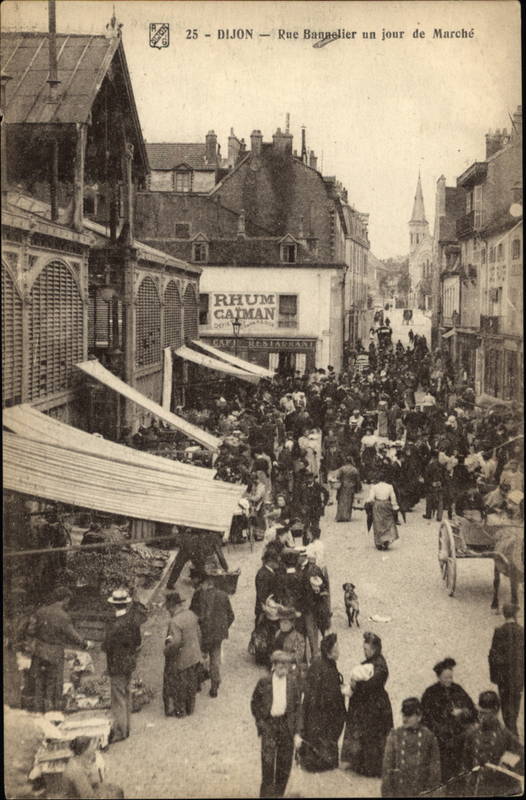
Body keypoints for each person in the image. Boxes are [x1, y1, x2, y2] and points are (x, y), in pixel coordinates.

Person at [27, 586, 89, 713]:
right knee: (54, 685)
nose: (68, 604)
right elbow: (72, 635)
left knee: (39, 684)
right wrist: (85, 644)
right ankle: (52, 715)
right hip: (54, 654)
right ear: (65, 599)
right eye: (68, 600)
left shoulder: (40, 612)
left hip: (39, 652)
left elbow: (30, 630)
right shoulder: (63, 616)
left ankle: (38, 714)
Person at [251, 650, 303, 798]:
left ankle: (279, 795)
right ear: (273, 665)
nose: (283, 667)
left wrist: (297, 732)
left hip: (286, 726)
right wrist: (261, 723)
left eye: (286, 664)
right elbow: (254, 703)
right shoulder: (264, 682)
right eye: (280, 664)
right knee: (268, 767)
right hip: (270, 726)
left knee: (284, 766)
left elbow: (298, 708)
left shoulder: (293, 683)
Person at [341, 631, 393, 777]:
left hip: (375, 705)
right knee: (365, 733)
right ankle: (361, 763)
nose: (364, 652)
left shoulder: (381, 667)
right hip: (367, 703)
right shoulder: (374, 662)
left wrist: (356, 685)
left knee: (372, 735)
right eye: (364, 649)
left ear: (375, 649)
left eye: (366, 649)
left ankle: (372, 767)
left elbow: (372, 685)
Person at [421, 657, 477, 785]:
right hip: (440, 733)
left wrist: (462, 711)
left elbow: (472, 709)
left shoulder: (458, 689)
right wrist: (447, 715)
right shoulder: (430, 693)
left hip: (459, 731)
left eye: (451, 677)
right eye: (446, 678)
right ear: (439, 677)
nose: (449, 680)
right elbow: (427, 717)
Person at [299, 633, 346, 772]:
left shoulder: (319, 663)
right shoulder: (327, 669)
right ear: (329, 652)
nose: (339, 651)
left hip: (315, 711)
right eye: (336, 648)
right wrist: (341, 691)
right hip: (322, 713)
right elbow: (330, 696)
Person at [462, 691, 523, 797]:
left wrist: (507, 763)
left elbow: (520, 756)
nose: (481, 717)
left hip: (500, 788)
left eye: (485, 713)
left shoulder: (505, 735)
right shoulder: (472, 734)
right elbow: (466, 764)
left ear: (496, 712)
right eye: (480, 712)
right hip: (478, 789)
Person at [102, 588, 142, 742]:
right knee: (126, 694)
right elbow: (138, 641)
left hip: (116, 664)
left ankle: (120, 730)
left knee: (118, 698)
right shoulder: (133, 622)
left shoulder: (113, 625)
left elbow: (107, 646)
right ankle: (127, 727)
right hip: (129, 662)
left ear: (113, 606)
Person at [381, 697, 441, 798]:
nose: (405, 719)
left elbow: (435, 770)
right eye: (404, 715)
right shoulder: (395, 735)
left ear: (419, 716)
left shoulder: (429, 737)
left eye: (409, 715)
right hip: (399, 791)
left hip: (421, 791)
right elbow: (387, 768)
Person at [189, 567, 235, 698]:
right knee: (215, 659)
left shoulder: (198, 595)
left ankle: (197, 683)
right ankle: (214, 687)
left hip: (202, 633)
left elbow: (191, 613)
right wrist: (223, 628)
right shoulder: (223, 595)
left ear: (205, 583)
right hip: (217, 634)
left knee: (199, 657)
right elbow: (231, 616)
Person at [163, 591, 202, 717]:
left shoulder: (174, 622)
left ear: (172, 606)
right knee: (192, 683)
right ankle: (190, 708)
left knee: (179, 685)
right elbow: (199, 634)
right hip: (194, 655)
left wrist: (167, 651)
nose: (168, 611)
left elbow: (176, 642)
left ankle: (180, 711)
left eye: (168, 608)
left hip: (182, 659)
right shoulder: (192, 615)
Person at [488, 603, 524, 736]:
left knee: (505, 707)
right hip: (518, 678)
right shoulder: (522, 631)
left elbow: (492, 655)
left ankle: (511, 734)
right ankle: (513, 732)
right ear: (515, 615)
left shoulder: (499, 631)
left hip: (503, 679)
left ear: (504, 615)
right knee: (515, 706)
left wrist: (495, 677)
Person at [59, 736, 124, 798]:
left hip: (85, 790)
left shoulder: (78, 760)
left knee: (117, 790)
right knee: (117, 794)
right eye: (93, 744)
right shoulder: (77, 771)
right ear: (85, 750)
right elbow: (88, 797)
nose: (96, 747)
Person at [365, 471, 400, 551]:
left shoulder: (374, 487)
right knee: (388, 523)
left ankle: (379, 542)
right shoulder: (390, 486)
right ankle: (386, 540)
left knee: (378, 523)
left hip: (377, 505)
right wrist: (395, 506)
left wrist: (367, 502)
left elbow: (371, 498)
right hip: (387, 505)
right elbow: (393, 498)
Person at [335, 457, 361, 522]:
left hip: (343, 487)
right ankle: (347, 517)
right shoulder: (354, 469)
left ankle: (340, 516)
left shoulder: (342, 468)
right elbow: (358, 480)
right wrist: (358, 488)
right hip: (351, 487)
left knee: (341, 501)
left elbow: (338, 477)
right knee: (349, 501)